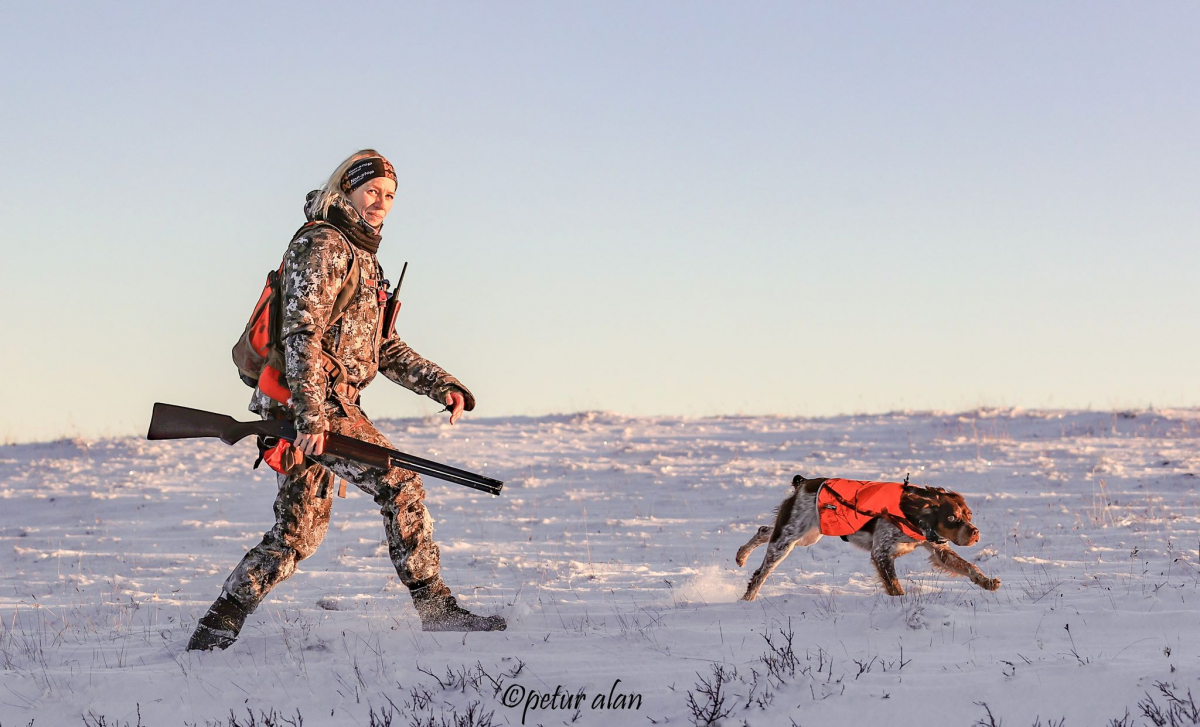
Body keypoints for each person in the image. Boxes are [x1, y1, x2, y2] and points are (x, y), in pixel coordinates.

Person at [188, 150, 505, 651]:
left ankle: (214, 631)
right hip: (309, 404)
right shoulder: (324, 243)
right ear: (348, 189)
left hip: (324, 403)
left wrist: (442, 385)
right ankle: (437, 609)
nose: (381, 203)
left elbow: (382, 348)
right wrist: (311, 414)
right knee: (400, 482)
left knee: (298, 535)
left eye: (390, 196)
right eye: (372, 191)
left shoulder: (365, 258)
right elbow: (301, 332)